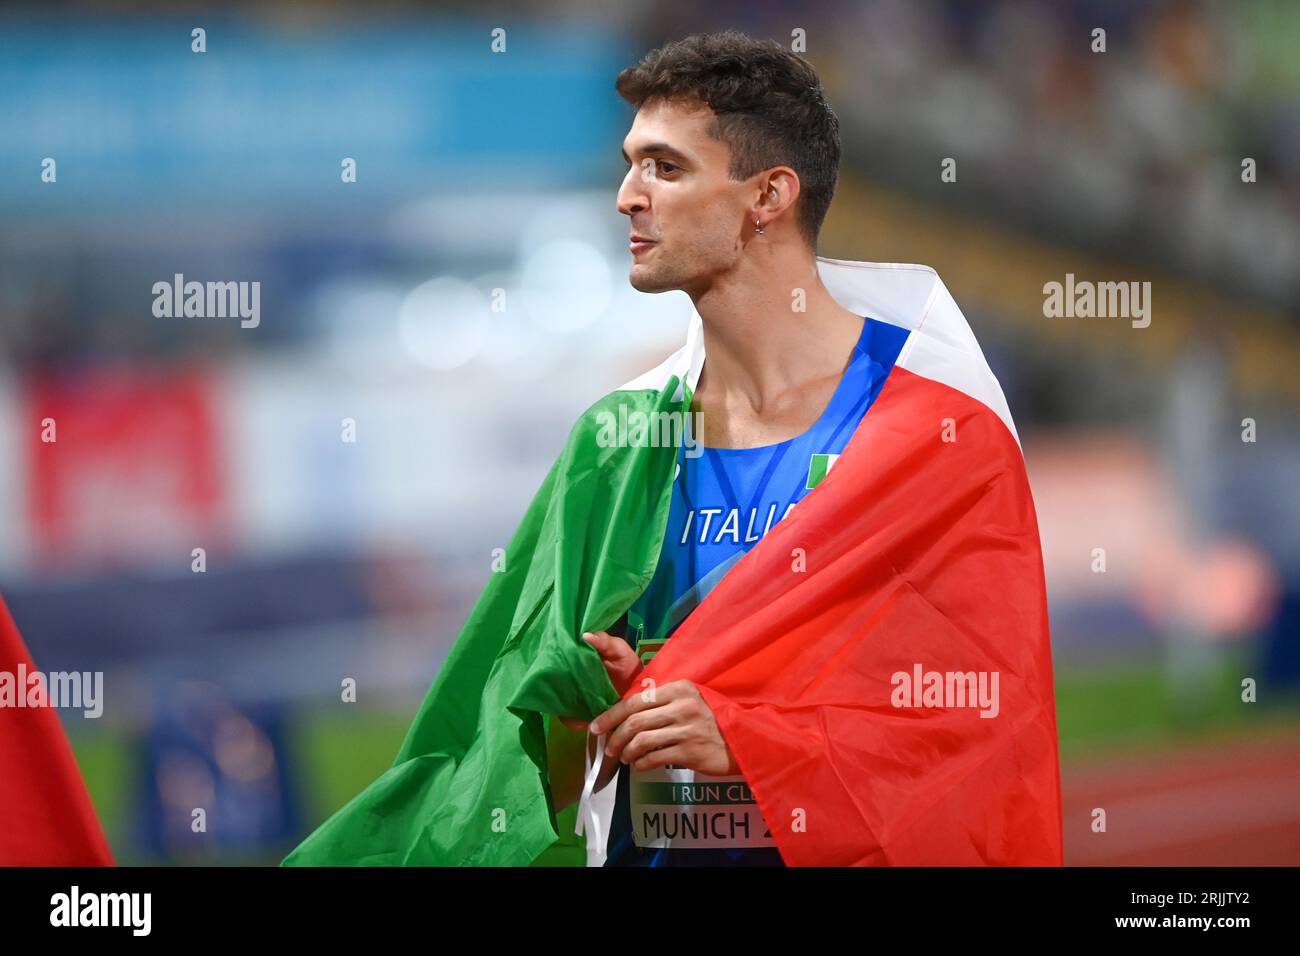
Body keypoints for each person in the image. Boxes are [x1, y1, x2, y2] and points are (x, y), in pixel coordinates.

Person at [549, 30, 895, 866]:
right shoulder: (619, 443)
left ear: (768, 195)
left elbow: (965, 715)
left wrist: (747, 739)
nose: (628, 197)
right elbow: (550, 781)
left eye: (666, 168)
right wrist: (599, 702)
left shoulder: (916, 424)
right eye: (631, 165)